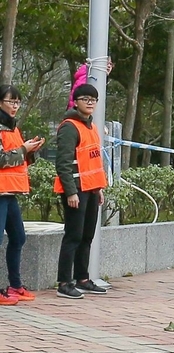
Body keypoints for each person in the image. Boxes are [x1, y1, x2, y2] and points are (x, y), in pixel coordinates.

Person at [55, 84, 108, 299]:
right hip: (76, 190)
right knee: (73, 236)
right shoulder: (69, 127)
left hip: (91, 190)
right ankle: (64, 283)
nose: (89, 102)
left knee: (86, 236)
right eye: (85, 98)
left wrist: (98, 189)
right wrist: (70, 192)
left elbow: (93, 162)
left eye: (93, 99)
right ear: (75, 102)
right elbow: (63, 163)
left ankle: (82, 279)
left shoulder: (92, 127)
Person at [0, 85, 45, 305]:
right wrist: (24, 150)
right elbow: (2, 159)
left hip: (10, 192)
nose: (15, 106)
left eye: (17, 102)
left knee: (18, 237)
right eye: (11, 101)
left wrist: (30, 151)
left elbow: (17, 159)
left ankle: (15, 285)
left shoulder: (13, 128)